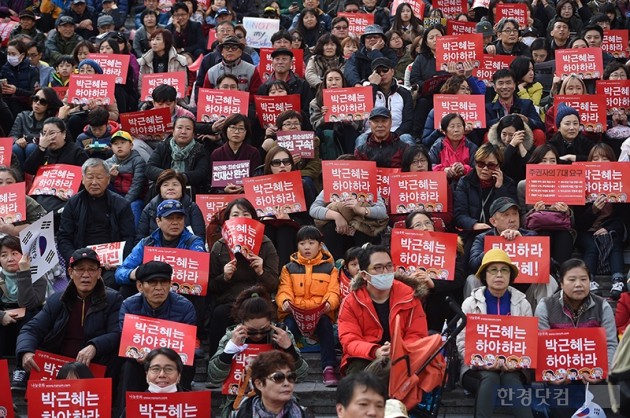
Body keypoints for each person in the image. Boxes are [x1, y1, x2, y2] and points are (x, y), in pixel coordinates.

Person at [13, 248, 123, 390]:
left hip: (95, 363)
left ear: (99, 273)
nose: (85, 275)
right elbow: (31, 329)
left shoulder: (113, 299)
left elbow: (117, 333)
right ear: (70, 273)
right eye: (80, 269)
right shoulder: (57, 300)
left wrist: (94, 346)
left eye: (91, 270)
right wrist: (26, 351)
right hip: (59, 364)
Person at [535, 258, 617, 418]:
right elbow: (541, 347)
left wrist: (602, 373)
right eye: (572, 280)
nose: (578, 284)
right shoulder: (545, 306)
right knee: (561, 410)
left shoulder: (602, 306)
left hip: (595, 378)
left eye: (583, 279)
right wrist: (553, 375)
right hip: (560, 378)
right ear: (561, 284)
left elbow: (611, 344)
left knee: (608, 409)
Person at [457, 249, 533, 418]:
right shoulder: (470, 303)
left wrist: (518, 363)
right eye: (493, 270)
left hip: (513, 368)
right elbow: (462, 339)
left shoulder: (523, 304)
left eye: (504, 270)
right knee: (490, 378)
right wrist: (479, 362)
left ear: (510, 276)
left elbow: (528, 340)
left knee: (511, 379)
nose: (499, 275)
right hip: (475, 368)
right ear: (485, 275)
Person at [207, 286, 309, 412]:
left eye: (264, 330)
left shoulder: (280, 335)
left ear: (270, 322)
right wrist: (229, 351)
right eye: (252, 332)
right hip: (238, 402)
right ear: (242, 323)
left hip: (277, 399)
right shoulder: (232, 337)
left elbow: (302, 375)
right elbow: (214, 377)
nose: (258, 335)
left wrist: (289, 349)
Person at [116, 261, 197, 411]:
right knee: (128, 367)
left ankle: (182, 409)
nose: (159, 288)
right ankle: (126, 411)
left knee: (186, 365)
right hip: (140, 361)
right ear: (140, 286)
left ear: (170, 284)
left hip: (174, 360)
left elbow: (187, 345)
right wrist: (141, 356)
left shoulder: (185, 307)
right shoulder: (129, 305)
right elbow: (126, 340)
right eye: (152, 283)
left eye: (164, 282)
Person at [337, 245, 428, 376]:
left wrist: (397, 349)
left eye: (389, 266)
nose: (385, 272)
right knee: (358, 374)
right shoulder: (351, 302)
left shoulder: (410, 296)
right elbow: (349, 341)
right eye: (378, 268)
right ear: (364, 274)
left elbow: (417, 335)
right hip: (366, 356)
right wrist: (375, 351)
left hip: (403, 353)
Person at [207, 198, 280, 355]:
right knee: (219, 313)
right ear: (227, 220)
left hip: (259, 300)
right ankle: (216, 362)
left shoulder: (266, 244)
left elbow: (274, 284)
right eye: (235, 214)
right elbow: (210, 285)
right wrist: (224, 277)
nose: (240, 218)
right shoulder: (219, 246)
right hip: (230, 301)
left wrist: (261, 271)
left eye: (246, 214)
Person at [276, 226, 340, 386]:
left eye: (311, 243)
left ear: (320, 245)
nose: (306, 247)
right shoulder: (288, 268)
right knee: (288, 328)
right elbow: (284, 290)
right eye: (302, 243)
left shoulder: (330, 268)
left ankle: (329, 368)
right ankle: (285, 367)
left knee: (325, 326)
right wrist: (285, 302)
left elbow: (334, 292)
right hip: (295, 313)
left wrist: (328, 304)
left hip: (320, 313)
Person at [57, 158, 135, 287]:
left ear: (108, 179)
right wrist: (75, 259)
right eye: (90, 177)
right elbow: (64, 237)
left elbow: (129, 237)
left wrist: (119, 261)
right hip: (81, 260)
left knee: (109, 285)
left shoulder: (121, 204)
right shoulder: (73, 203)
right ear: (82, 179)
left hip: (111, 264)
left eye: (99, 177)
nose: (94, 182)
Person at [116, 199, 205, 296]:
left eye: (179, 218)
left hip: (181, 292)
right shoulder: (147, 243)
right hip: (152, 290)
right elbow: (120, 272)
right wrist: (133, 274)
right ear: (158, 221)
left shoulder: (194, 242)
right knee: (125, 289)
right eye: (169, 218)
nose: (175, 222)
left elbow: (201, 271)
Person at [574, 143, 627, 299]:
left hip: (610, 230)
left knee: (613, 240)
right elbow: (579, 223)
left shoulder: (621, 182)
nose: (600, 161)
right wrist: (593, 210)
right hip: (586, 232)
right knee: (591, 247)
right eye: (595, 158)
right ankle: (589, 280)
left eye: (605, 157)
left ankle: (618, 280)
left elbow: (624, 217)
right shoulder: (581, 184)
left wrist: (609, 228)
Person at [404, 210, 466, 332]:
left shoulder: (449, 246)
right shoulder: (402, 252)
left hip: (444, 299)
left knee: (439, 297)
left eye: (428, 223)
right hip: (413, 297)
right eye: (418, 225)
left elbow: (459, 277)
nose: (425, 228)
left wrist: (433, 283)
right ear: (409, 230)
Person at [453, 143, 518, 253]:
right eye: (480, 164)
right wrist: (474, 224)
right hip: (471, 232)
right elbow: (459, 215)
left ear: (498, 166)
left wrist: (500, 189)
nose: (485, 169)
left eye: (491, 165)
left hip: (498, 233)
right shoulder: (465, 182)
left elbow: (510, 214)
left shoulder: (508, 183)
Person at [23, 117, 89, 213]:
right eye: (45, 134)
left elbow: (87, 177)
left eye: (52, 133)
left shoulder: (76, 152)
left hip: (65, 199)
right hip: (42, 195)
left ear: (64, 134)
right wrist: (40, 148)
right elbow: (28, 169)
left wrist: (72, 194)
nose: (49, 137)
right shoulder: (42, 150)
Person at [0, 236, 48, 358]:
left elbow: (28, 304)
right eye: (4, 255)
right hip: (4, 321)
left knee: (29, 320)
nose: (10, 259)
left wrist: (24, 273)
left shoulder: (38, 276)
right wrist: (1, 316)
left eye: (14, 253)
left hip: (29, 318)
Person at [354, 57, 414, 147]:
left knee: (407, 138)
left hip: (397, 133)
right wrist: (373, 86)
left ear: (392, 72)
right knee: (361, 140)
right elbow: (362, 114)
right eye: (378, 72)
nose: (382, 74)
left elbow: (408, 121)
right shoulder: (366, 92)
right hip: (370, 133)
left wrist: (395, 135)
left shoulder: (404, 93)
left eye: (385, 70)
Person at [136, 169, 206, 242]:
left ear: (182, 188)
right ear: (159, 189)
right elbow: (140, 238)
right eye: (165, 185)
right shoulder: (150, 208)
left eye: (175, 184)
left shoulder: (192, 207)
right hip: (156, 252)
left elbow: (200, 238)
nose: (170, 188)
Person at [233, 350, 307, 417]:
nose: (286, 383)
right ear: (259, 384)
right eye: (278, 377)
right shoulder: (242, 414)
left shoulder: (300, 414)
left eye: (291, 377)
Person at [10, 87, 63, 169]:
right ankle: (19, 177)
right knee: (16, 147)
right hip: (21, 151)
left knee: (31, 148)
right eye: (35, 99)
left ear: (49, 105)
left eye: (43, 102)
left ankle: (32, 177)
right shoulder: (22, 116)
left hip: (43, 152)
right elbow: (12, 136)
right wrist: (17, 140)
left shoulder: (51, 121)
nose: (37, 103)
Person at [210, 114, 262, 194]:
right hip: (223, 197)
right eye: (233, 128)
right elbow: (212, 183)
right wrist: (224, 190)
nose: (236, 132)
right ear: (226, 129)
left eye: (241, 129)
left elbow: (256, 179)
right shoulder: (217, 154)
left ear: (246, 132)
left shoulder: (253, 152)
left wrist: (244, 188)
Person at [105, 130, 147, 226]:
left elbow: (137, 185)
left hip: (135, 198)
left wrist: (124, 203)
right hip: (116, 196)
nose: (119, 146)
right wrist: (111, 178)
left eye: (123, 143)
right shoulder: (107, 163)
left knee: (134, 207)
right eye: (115, 144)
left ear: (131, 145)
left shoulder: (138, 161)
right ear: (111, 147)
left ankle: (135, 238)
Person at [428, 113, 478, 183]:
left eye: (459, 126)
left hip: (466, 184)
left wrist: (465, 169)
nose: (456, 130)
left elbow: (478, 169)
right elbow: (429, 166)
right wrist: (443, 170)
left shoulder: (471, 147)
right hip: (442, 184)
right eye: (452, 126)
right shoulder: (438, 146)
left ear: (464, 129)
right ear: (444, 131)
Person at [137, 28, 188, 95]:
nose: (154, 43)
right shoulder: (145, 61)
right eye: (152, 39)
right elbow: (141, 86)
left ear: (166, 42)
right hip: (151, 101)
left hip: (174, 101)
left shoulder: (179, 61)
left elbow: (183, 86)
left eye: (158, 39)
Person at [0, 167, 47, 236]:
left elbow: (42, 221)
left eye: (9, 182)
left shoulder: (26, 200)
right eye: (0, 182)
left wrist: (13, 230)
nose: (4, 185)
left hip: (21, 241)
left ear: (17, 183)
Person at [487, 114, 534, 183]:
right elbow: (500, 166)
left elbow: (532, 169)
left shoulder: (531, 148)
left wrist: (521, 145)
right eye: (504, 134)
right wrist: (512, 145)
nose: (507, 139)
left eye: (511, 135)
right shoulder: (492, 147)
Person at [1, 40, 40, 121]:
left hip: (25, 108)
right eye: (8, 53)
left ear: (22, 55)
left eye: (13, 54)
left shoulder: (32, 70)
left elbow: (34, 93)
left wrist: (16, 90)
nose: (10, 56)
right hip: (6, 107)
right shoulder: (4, 69)